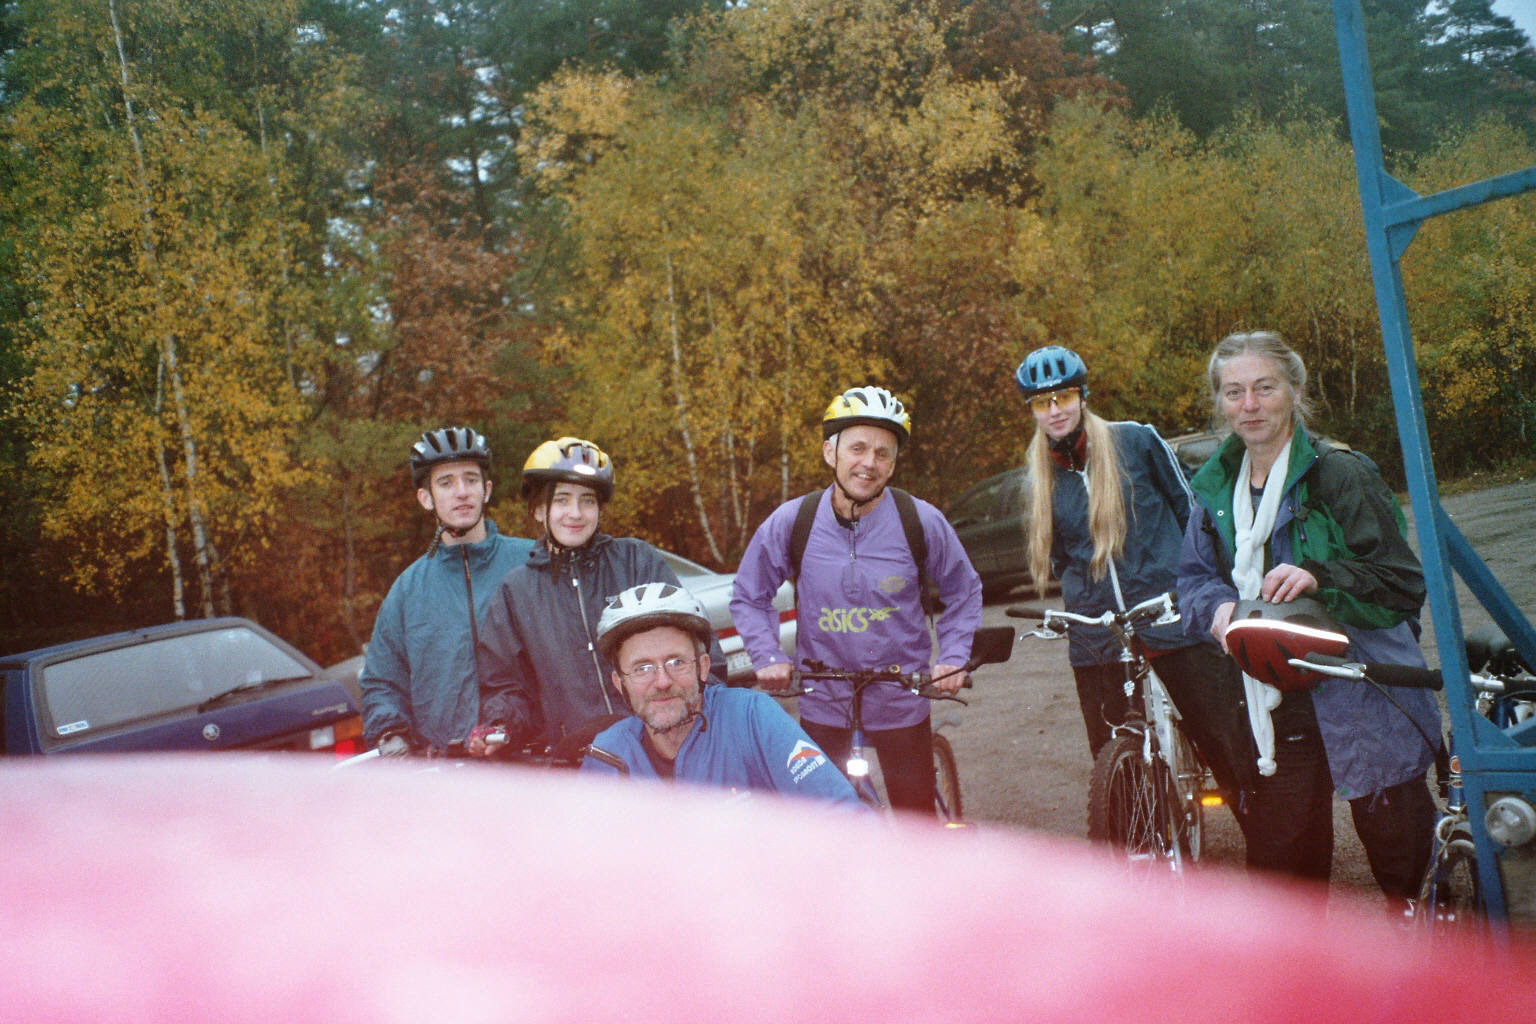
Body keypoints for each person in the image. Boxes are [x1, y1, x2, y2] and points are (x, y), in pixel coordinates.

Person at [1177, 329, 1439, 907]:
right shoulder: (1215, 488)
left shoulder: (1341, 473)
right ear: (1220, 403)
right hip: (1271, 698)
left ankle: (1430, 954)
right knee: (1282, 875)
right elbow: (1193, 579)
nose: (1250, 405)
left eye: (1265, 387)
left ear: (1295, 391)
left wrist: (1321, 577)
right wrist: (1218, 610)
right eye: (1234, 392)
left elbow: (1402, 583)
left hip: (1364, 690)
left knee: (1404, 865)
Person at [730, 386, 982, 815]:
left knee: (916, 827)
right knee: (827, 826)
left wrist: (953, 658)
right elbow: (749, 594)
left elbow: (964, 590)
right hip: (823, 700)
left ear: (894, 464)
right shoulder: (794, 521)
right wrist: (767, 655)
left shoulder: (920, 520)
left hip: (901, 699)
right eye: (858, 448)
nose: (869, 463)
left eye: (883, 453)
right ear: (831, 452)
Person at [1014, 345, 1250, 801]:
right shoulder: (1040, 478)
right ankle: (1139, 836)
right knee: (1116, 766)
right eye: (1042, 402)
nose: (1055, 410)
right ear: (1033, 410)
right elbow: (1062, 558)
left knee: (1226, 744)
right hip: (1099, 633)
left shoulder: (1137, 441)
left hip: (1171, 613)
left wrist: (1209, 586)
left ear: (1083, 396)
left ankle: (1259, 831)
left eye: (1064, 397)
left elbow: (1190, 512)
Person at [469, 436, 727, 755]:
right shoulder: (515, 591)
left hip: (665, 750)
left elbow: (700, 651)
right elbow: (505, 686)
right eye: (562, 500)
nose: (575, 513)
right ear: (537, 510)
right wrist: (500, 726)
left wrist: (704, 719)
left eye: (587, 501)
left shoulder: (636, 561)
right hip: (577, 759)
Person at [580, 582, 865, 806]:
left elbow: (841, 813)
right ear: (619, 683)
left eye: (677, 662)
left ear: (703, 667)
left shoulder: (751, 717)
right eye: (642, 668)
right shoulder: (607, 755)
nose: (662, 681)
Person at [359, 427, 535, 756]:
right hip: (448, 767)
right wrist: (391, 732)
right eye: (446, 483)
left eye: (471, 479)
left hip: (532, 760)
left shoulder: (531, 563)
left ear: (486, 490)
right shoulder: (408, 590)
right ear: (426, 498)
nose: (461, 492)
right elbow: (382, 681)